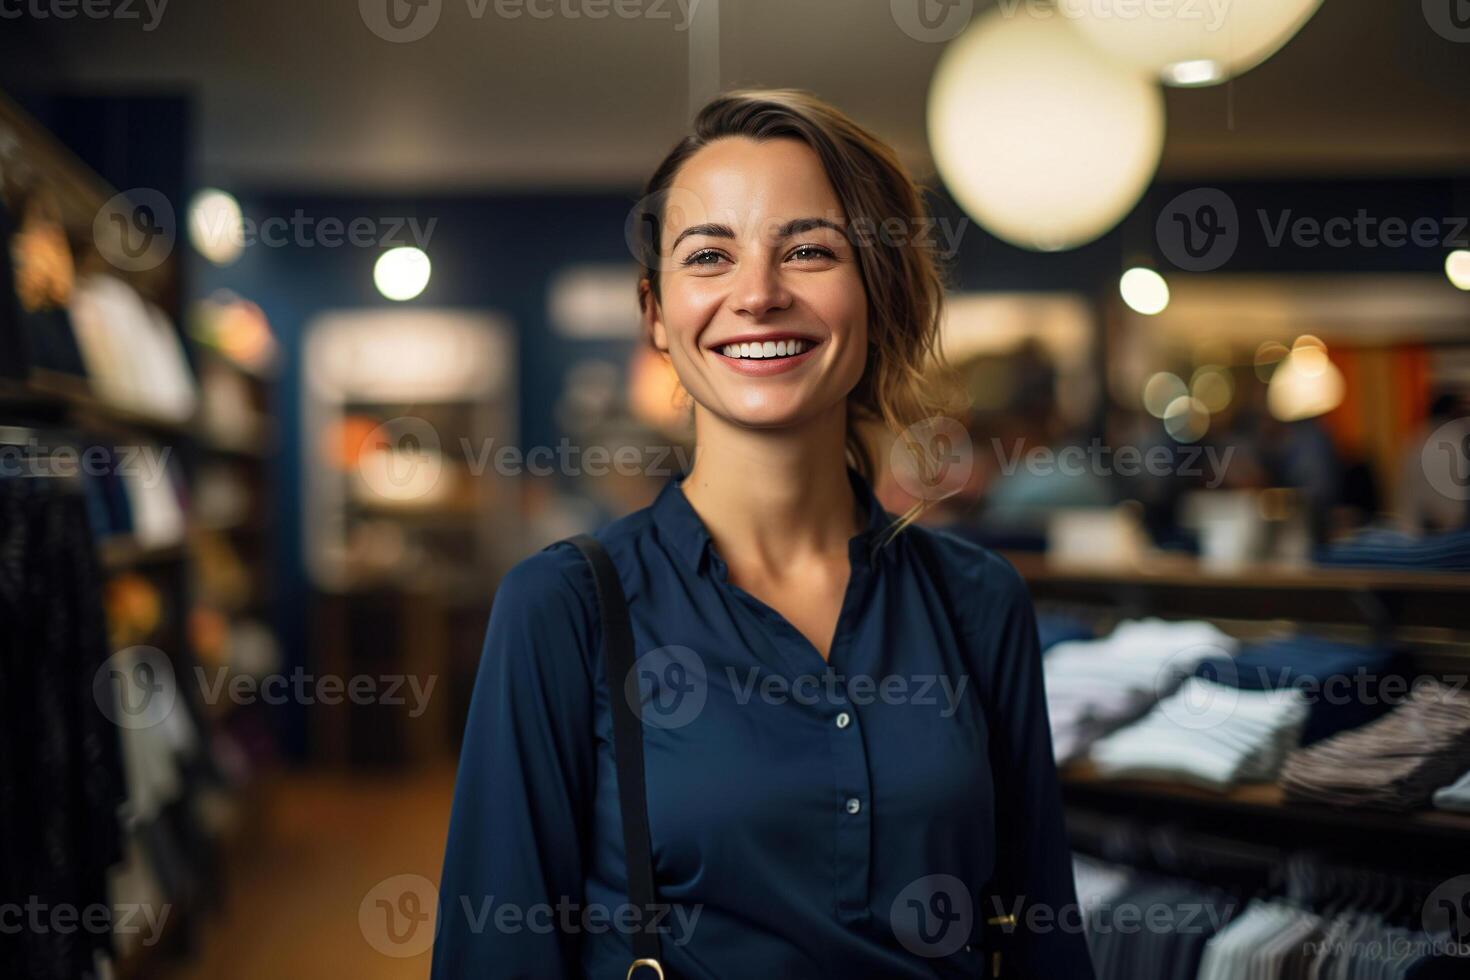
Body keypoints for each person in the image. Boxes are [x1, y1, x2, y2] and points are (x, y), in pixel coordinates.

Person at [431, 89, 1095, 980]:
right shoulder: (564, 608)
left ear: (877, 292)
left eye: (810, 250)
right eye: (709, 255)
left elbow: (1045, 944)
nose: (758, 293)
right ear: (657, 315)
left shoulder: (979, 601)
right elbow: (493, 959)